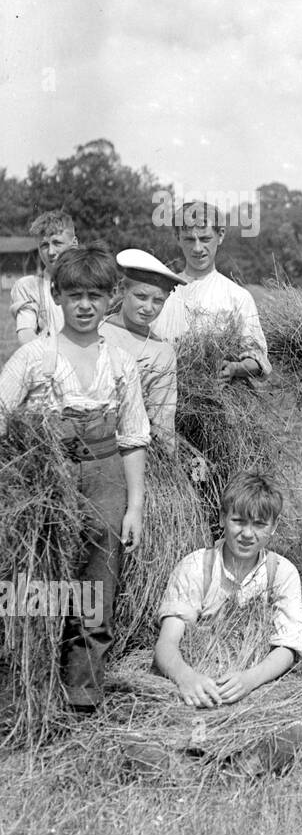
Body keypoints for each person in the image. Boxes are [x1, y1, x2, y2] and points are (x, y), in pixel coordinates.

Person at [0, 245, 148, 710]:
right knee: (35, 582)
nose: (85, 305)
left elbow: (134, 437)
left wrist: (134, 507)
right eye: (74, 295)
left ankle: (83, 696)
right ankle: (25, 691)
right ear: (57, 296)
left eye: (96, 296)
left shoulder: (121, 362)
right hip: (46, 475)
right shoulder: (35, 356)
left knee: (96, 583)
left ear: (112, 298)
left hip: (105, 474)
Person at [149, 471, 302, 775]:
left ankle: (244, 760)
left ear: (273, 527)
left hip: (250, 677)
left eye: (259, 524)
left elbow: (287, 648)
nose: (247, 534)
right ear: (223, 518)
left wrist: (250, 679)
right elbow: (167, 642)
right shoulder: (196, 566)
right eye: (239, 521)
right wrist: (186, 677)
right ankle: (192, 760)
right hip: (202, 676)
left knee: (273, 712)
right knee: (191, 715)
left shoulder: (283, 573)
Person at [155, 204, 270, 384]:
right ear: (177, 237)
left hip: (211, 403)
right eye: (189, 240)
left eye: (205, 238)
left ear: (221, 235)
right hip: (158, 398)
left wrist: (234, 368)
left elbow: (258, 360)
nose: (198, 248)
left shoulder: (237, 297)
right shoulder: (160, 293)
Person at [100, 250, 186, 454]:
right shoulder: (95, 330)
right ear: (122, 289)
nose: (148, 308)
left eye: (158, 301)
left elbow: (163, 417)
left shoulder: (162, 353)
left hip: (129, 449)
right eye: (141, 296)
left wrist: (169, 465)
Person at [10, 209, 78, 344]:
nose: (51, 252)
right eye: (44, 245)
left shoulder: (94, 280)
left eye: (57, 243)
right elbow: (26, 336)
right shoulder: (29, 286)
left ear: (74, 243)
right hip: (48, 360)